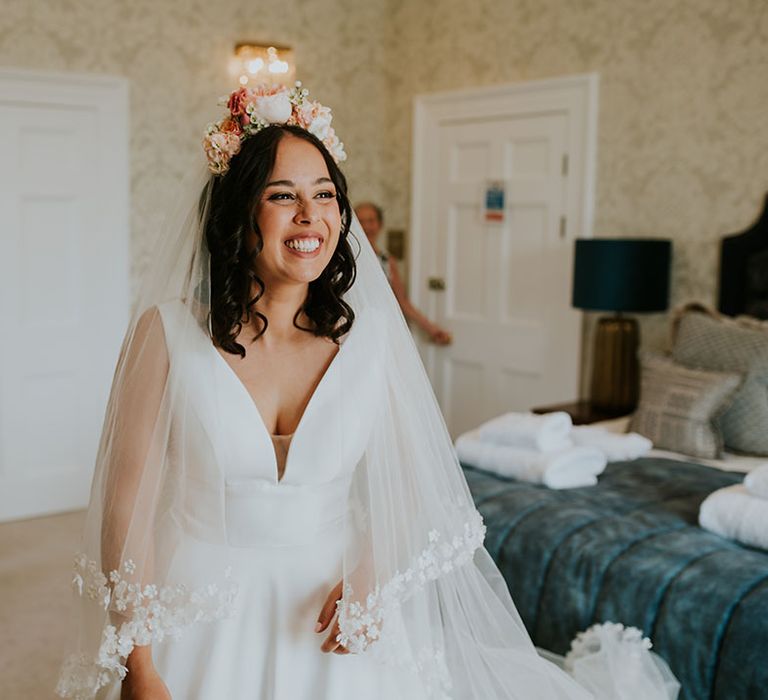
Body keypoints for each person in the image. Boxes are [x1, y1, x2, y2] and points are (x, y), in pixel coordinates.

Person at [55, 83, 677, 700]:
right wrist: (140, 665)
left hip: (335, 621)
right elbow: (127, 512)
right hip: (195, 623)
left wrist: (373, 578)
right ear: (237, 214)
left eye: (325, 195)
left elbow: (415, 483)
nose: (310, 216)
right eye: (282, 196)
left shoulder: (372, 341)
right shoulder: (164, 335)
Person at [355, 202, 452, 345]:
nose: (366, 227)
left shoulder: (388, 262)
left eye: (371, 221)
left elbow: (402, 302)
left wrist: (432, 329)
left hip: (378, 329)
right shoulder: (345, 260)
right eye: (361, 221)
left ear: (380, 224)